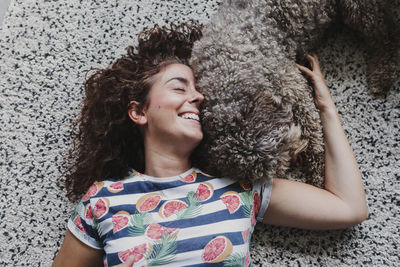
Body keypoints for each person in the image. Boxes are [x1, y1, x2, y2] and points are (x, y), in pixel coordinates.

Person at [52, 24, 368, 267]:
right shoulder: (102, 201)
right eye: (179, 87)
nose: (198, 97)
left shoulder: (239, 189)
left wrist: (326, 109)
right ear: (138, 111)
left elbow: (349, 207)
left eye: (199, 90)